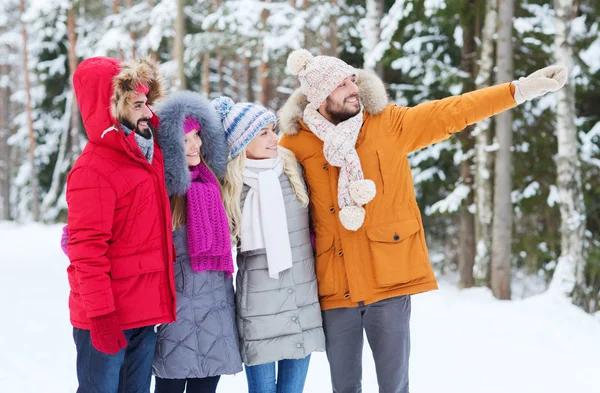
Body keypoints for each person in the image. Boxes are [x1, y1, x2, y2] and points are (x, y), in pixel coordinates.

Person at [278, 49, 568, 393]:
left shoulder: (388, 123)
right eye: (341, 85)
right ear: (320, 95)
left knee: (395, 385)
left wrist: (517, 90)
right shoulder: (295, 142)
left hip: (388, 279)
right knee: (343, 386)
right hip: (334, 285)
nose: (352, 88)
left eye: (352, 79)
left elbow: (453, 111)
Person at [65, 56, 176, 393]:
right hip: (107, 317)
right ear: (111, 107)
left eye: (147, 102)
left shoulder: (147, 154)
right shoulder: (93, 170)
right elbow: (86, 251)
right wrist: (101, 317)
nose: (147, 112)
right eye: (136, 103)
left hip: (143, 314)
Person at [212, 97, 325, 393]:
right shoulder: (229, 187)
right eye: (263, 133)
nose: (275, 138)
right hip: (259, 308)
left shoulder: (292, 171)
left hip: (301, 299)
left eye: (272, 129)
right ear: (242, 141)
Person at [151, 91, 243, 393]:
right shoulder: (162, 192)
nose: (196, 145)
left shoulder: (213, 184)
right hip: (175, 313)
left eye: (198, 136)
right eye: (186, 139)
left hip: (215, 311)